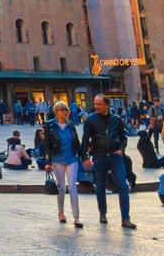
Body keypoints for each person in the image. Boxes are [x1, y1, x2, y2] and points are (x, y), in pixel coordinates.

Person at [81, 94, 136, 230]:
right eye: (95, 104)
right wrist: (85, 157)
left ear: (107, 105)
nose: (96, 106)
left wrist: (121, 149)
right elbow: (85, 139)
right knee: (99, 186)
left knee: (122, 186)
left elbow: (123, 137)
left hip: (114, 156)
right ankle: (103, 213)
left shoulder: (116, 119)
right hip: (99, 157)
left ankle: (125, 218)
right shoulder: (91, 119)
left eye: (99, 104)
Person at [44, 102, 83, 227]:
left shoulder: (71, 125)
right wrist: (47, 162)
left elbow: (76, 141)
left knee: (72, 187)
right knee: (61, 188)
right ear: (56, 112)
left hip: (71, 158)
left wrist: (84, 156)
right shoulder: (50, 125)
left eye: (66, 110)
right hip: (57, 159)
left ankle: (76, 217)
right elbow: (47, 145)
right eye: (62, 110)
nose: (65, 112)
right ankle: (61, 213)